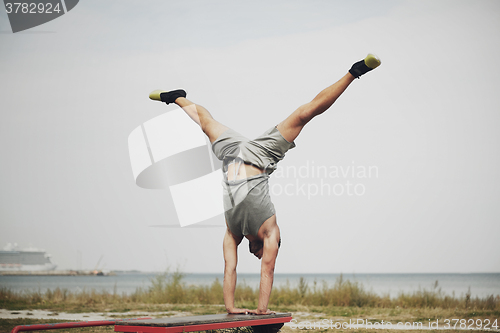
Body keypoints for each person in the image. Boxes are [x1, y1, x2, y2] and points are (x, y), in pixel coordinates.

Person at [148, 54, 381, 315]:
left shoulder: (232, 232)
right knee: (305, 113)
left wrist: (230, 307)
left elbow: (229, 268)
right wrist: (262, 310)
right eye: (261, 254)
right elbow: (268, 269)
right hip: (262, 155)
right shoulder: (271, 232)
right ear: (276, 242)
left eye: (258, 255)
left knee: (205, 123)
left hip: (233, 155)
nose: (258, 256)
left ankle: (176, 97)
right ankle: (354, 72)